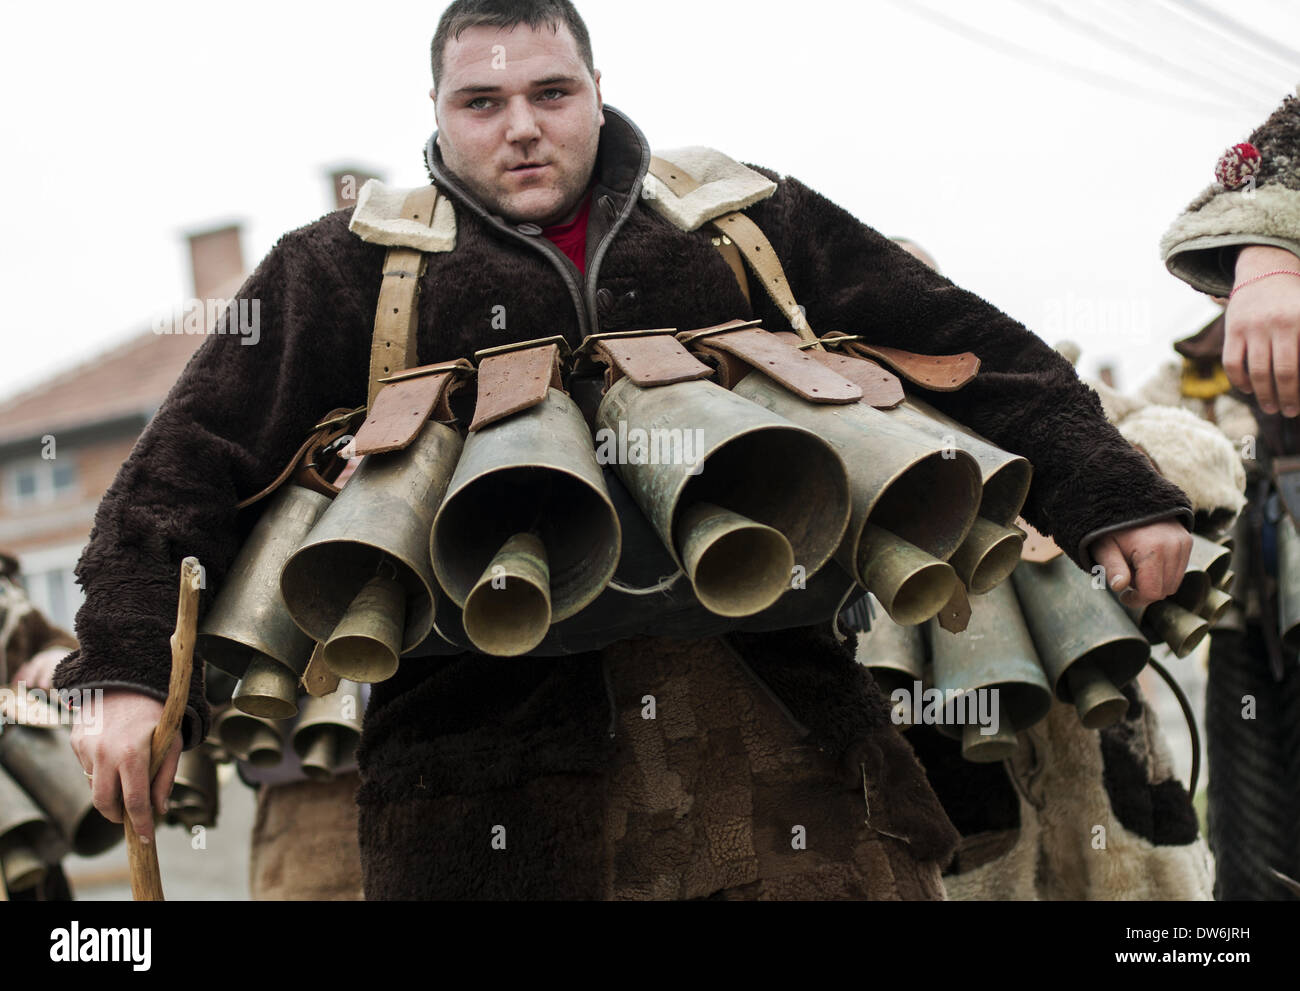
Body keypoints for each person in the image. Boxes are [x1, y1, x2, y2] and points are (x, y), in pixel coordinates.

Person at [58, 0, 1194, 900]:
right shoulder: (348, 268)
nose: (520, 125)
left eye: (551, 92)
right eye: (483, 100)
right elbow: (182, 467)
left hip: (796, 762)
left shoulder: (738, 221)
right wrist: (119, 669)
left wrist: (1112, 495)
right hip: (486, 798)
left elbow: (967, 344)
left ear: (599, 92)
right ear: (438, 111)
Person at [1161, 88, 1300, 900]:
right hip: (1265, 573)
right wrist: (1270, 256)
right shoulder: (1201, 381)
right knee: (1260, 831)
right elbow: (1253, 178)